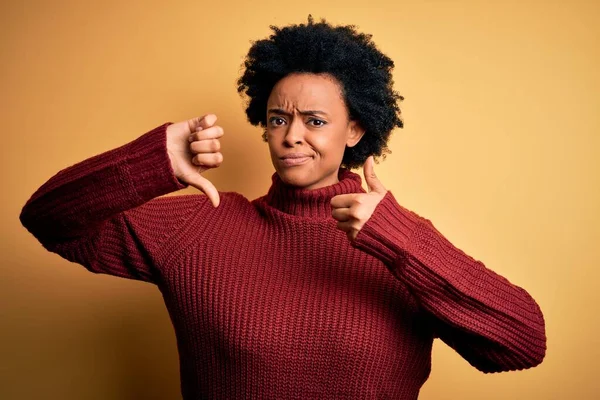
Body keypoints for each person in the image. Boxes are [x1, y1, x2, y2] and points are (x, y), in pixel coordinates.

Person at [20, 16, 546, 400]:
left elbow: (522, 343)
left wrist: (398, 239)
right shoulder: (201, 225)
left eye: (315, 121)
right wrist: (152, 161)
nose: (291, 136)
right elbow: (47, 219)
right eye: (277, 119)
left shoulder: (403, 242)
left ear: (356, 129)